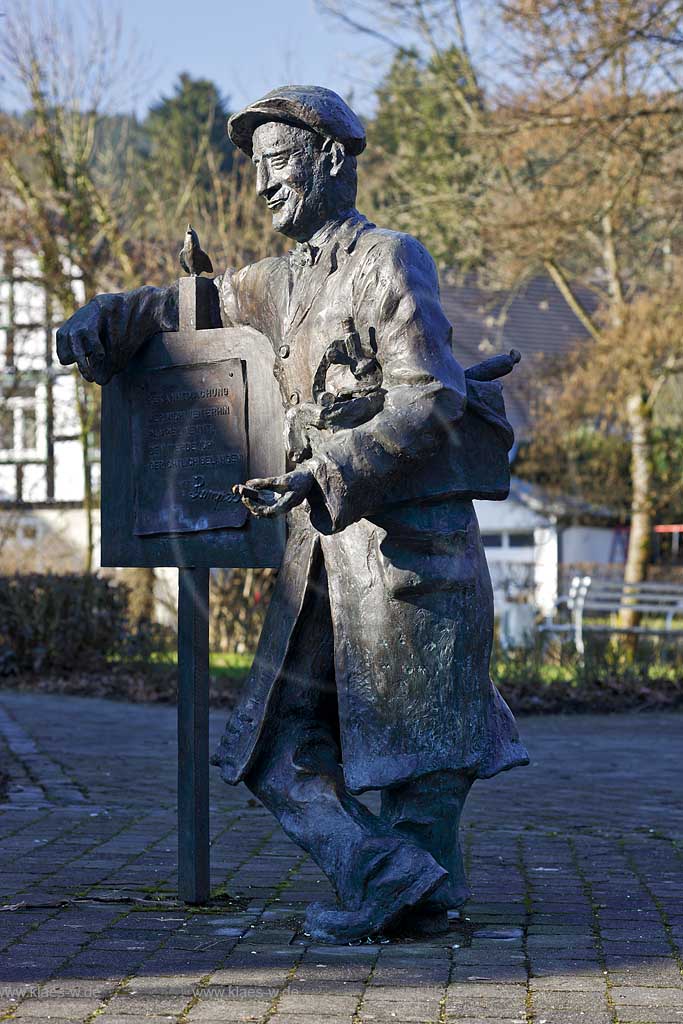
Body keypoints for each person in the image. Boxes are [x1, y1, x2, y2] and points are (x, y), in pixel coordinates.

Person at [57, 85, 529, 943]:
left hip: (402, 547)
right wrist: (106, 316)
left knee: (421, 753)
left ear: (331, 159)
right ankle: (388, 877)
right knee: (272, 745)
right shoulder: (277, 281)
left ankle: (414, 894)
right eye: (256, 170)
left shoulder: (389, 259)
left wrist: (326, 469)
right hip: (318, 549)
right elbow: (183, 307)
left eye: (278, 162)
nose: (264, 186)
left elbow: (431, 397)